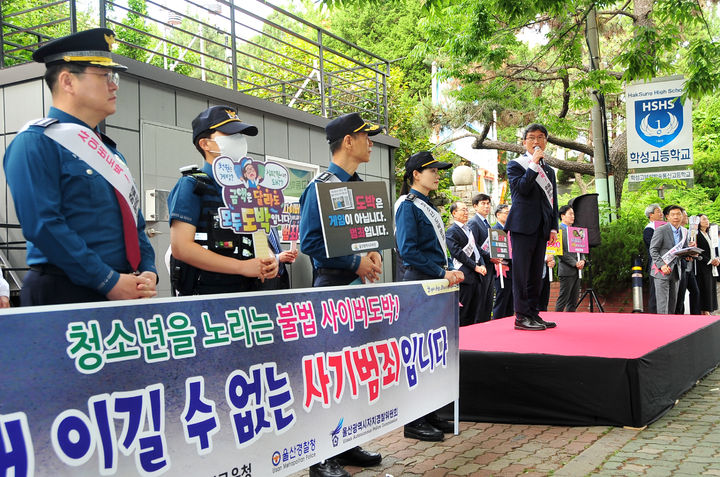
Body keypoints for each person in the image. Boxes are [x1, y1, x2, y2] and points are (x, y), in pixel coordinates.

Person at [3, 28, 157, 306]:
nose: (114, 85)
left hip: (125, 289)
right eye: (105, 76)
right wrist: (107, 280)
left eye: (114, 77)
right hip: (65, 290)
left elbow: (136, 225)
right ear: (67, 81)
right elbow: (43, 225)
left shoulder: (111, 152)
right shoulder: (37, 142)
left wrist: (149, 271)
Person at [299, 112, 383, 477]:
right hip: (332, 289)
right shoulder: (320, 186)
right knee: (329, 374)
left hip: (358, 292)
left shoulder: (360, 186)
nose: (371, 142)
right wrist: (355, 263)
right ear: (348, 141)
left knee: (352, 372)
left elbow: (364, 237)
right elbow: (309, 242)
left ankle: (346, 443)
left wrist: (374, 252)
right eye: (366, 136)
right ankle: (320, 455)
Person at [167, 105, 277, 295]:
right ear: (205, 144)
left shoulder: (248, 189)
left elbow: (258, 236)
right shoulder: (192, 185)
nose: (239, 140)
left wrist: (269, 258)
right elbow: (181, 247)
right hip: (206, 296)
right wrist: (241, 267)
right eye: (230, 135)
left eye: (241, 135)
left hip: (250, 294)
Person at [395, 151, 464, 442]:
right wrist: (440, 271)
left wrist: (449, 270)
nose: (437, 174)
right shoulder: (407, 206)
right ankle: (414, 420)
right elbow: (408, 251)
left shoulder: (427, 204)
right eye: (431, 170)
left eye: (438, 170)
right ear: (415, 175)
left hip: (435, 284)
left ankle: (430, 410)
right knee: (418, 352)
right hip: (420, 286)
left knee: (433, 352)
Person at [504, 124, 559, 330]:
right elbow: (522, 189)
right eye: (532, 138)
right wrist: (533, 164)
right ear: (524, 142)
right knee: (522, 273)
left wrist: (553, 228)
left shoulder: (550, 171)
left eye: (541, 137)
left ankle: (534, 314)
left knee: (536, 273)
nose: (536, 142)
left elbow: (553, 201)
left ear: (546, 141)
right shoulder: (515, 165)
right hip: (522, 226)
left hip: (542, 228)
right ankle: (521, 316)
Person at [446, 201, 484, 326]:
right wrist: (475, 266)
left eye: (467, 210)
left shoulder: (468, 229)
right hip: (464, 275)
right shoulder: (452, 231)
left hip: (476, 275)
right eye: (463, 210)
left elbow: (476, 249)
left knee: (475, 310)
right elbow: (457, 253)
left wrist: (482, 264)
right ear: (454, 213)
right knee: (464, 311)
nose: (466, 212)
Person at [649, 205, 693, 314]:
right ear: (667, 217)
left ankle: (670, 328)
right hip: (661, 271)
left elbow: (683, 250)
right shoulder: (661, 230)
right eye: (673, 214)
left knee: (672, 305)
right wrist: (661, 265)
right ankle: (661, 329)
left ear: (682, 216)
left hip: (676, 272)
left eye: (679, 214)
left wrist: (690, 253)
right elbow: (653, 249)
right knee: (663, 305)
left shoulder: (684, 231)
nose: (676, 217)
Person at [467, 193, 495, 322]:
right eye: (483, 203)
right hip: (481, 266)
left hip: (490, 265)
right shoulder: (474, 222)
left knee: (488, 300)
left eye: (488, 203)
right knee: (481, 300)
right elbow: (474, 246)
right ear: (475, 206)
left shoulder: (486, 223)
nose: (486, 206)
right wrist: (489, 257)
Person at [556, 205, 586, 312]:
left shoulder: (576, 231)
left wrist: (583, 260)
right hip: (566, 270)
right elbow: (559, 252)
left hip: (577, 271)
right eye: (570, 214)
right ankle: (556, 319)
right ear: (563, 216)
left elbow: (582, 247)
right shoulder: (558, 231)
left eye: (573, 214)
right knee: (563, 299)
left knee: (573, 301)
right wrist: (574, 263)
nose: (573, 216)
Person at [491, 204, 514, 319]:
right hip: (501, 269)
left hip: (512, 269)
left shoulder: (511, 230)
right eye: (506, 212)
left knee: (511, 299)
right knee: (502, 298)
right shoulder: (495, 230)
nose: (509, 215)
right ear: (498, 214)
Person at [694, 215, 719, 314]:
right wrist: (709, 260)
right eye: (704, 219)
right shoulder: (696, 234)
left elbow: (714, 249)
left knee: (711, 288)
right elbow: (698, 251)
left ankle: (708, 310)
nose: (706, 221)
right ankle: (703, 311)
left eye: (707, 219)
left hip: (712, 266)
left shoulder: (709, 234)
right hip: (702, 265)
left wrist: (717, 258)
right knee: (704, 287)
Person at [643, 203, 664, 313]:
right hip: (655, 265)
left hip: (666, 264)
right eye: (658, 212)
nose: (661, 214)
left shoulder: (665, 227)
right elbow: (653, 247)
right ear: (651, 215)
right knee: (655, 293)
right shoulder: (649, 229)